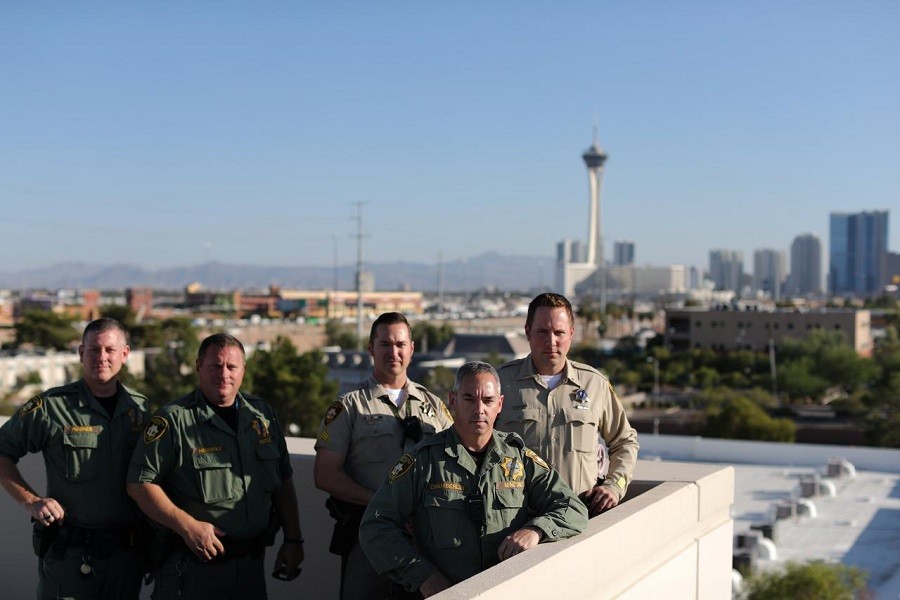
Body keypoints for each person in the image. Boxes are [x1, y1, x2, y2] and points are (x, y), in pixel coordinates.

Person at [359, 361, 588, 597]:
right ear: (453, 400)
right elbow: (375, 526)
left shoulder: (518, 459)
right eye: (469, 399)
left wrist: (536, 530)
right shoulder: (423, 461)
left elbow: (573, 508)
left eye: (488, 401)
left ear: (499, 404)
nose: (479, 409)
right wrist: (422, 574)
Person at [126, 333, 303, 599]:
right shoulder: (174, 420)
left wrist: (293, 539)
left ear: (243, 370)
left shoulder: (261, 416)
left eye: (232, 367)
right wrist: (187, 526)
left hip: (251, 567)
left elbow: (283, 479)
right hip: (193, 569)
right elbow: (139, 484)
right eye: (215, 366)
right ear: (199, 366)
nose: (224, 374)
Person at [0, 317, 149, 600]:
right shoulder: (51, 407)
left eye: (110, 350)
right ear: (81, 353)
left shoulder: (141, 410)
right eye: (93, 350)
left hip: (126, 558)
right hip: (71, 556)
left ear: (125, 354)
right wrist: (32, 501)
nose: (101, 358)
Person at [314, 312, 453, 600]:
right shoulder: (349, 407)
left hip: (424, 540)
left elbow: (455, 462)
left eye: (401, 344)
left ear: (412, 348)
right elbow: (325, 474)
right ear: (371, 349)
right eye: (385, 344)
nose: (394, 352)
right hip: (369, 536)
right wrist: (383, 504)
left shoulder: (434, 406)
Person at [497, 293, 639, 517]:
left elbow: (625, 441)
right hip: (517, 519)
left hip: (580, 518)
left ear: (571, 334)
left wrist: (615, 485)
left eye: (559, 332)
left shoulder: (594, 384)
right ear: (528, 332)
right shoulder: (501, 383)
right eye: (542, 331)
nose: (551, 341)